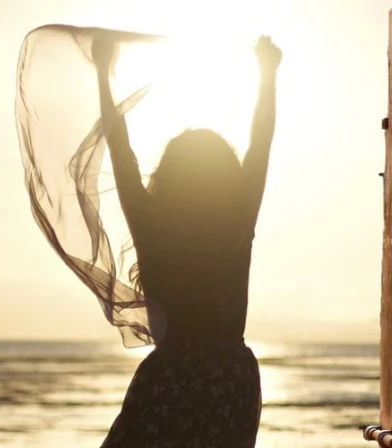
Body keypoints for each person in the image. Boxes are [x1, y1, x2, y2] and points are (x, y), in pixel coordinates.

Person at [92, 36, 282, 447]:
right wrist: (268, 74)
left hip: (169, 376)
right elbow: (261, 143)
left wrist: (103, 74)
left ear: (169, 175)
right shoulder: (236, 219)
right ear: (226, 176)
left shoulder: (152, 225)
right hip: (229, 378)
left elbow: (120, 149)